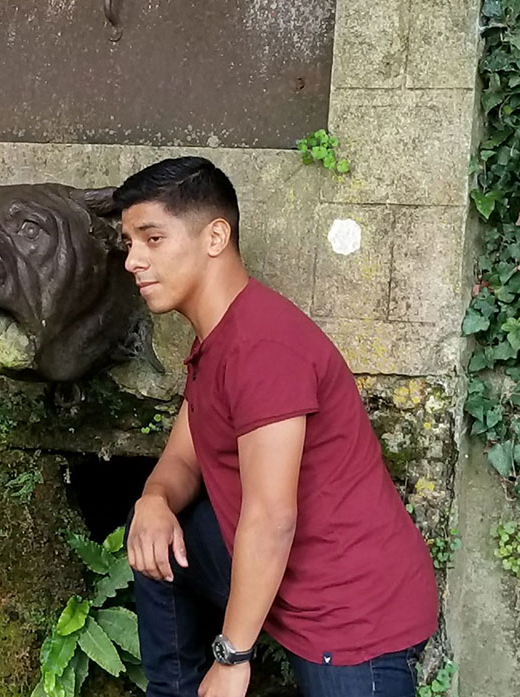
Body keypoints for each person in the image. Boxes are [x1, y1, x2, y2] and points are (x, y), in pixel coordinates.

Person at [116, 157, 438, 697]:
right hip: (280, 577)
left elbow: (271, 519)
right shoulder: (218, 339)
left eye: (151, 238)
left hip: (349, 613)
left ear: (215, 236)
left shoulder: (262, 347)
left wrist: (233, 656)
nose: (132, 261)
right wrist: (152, 499)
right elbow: (183, 459)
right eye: (129, 243)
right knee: (152, 531)